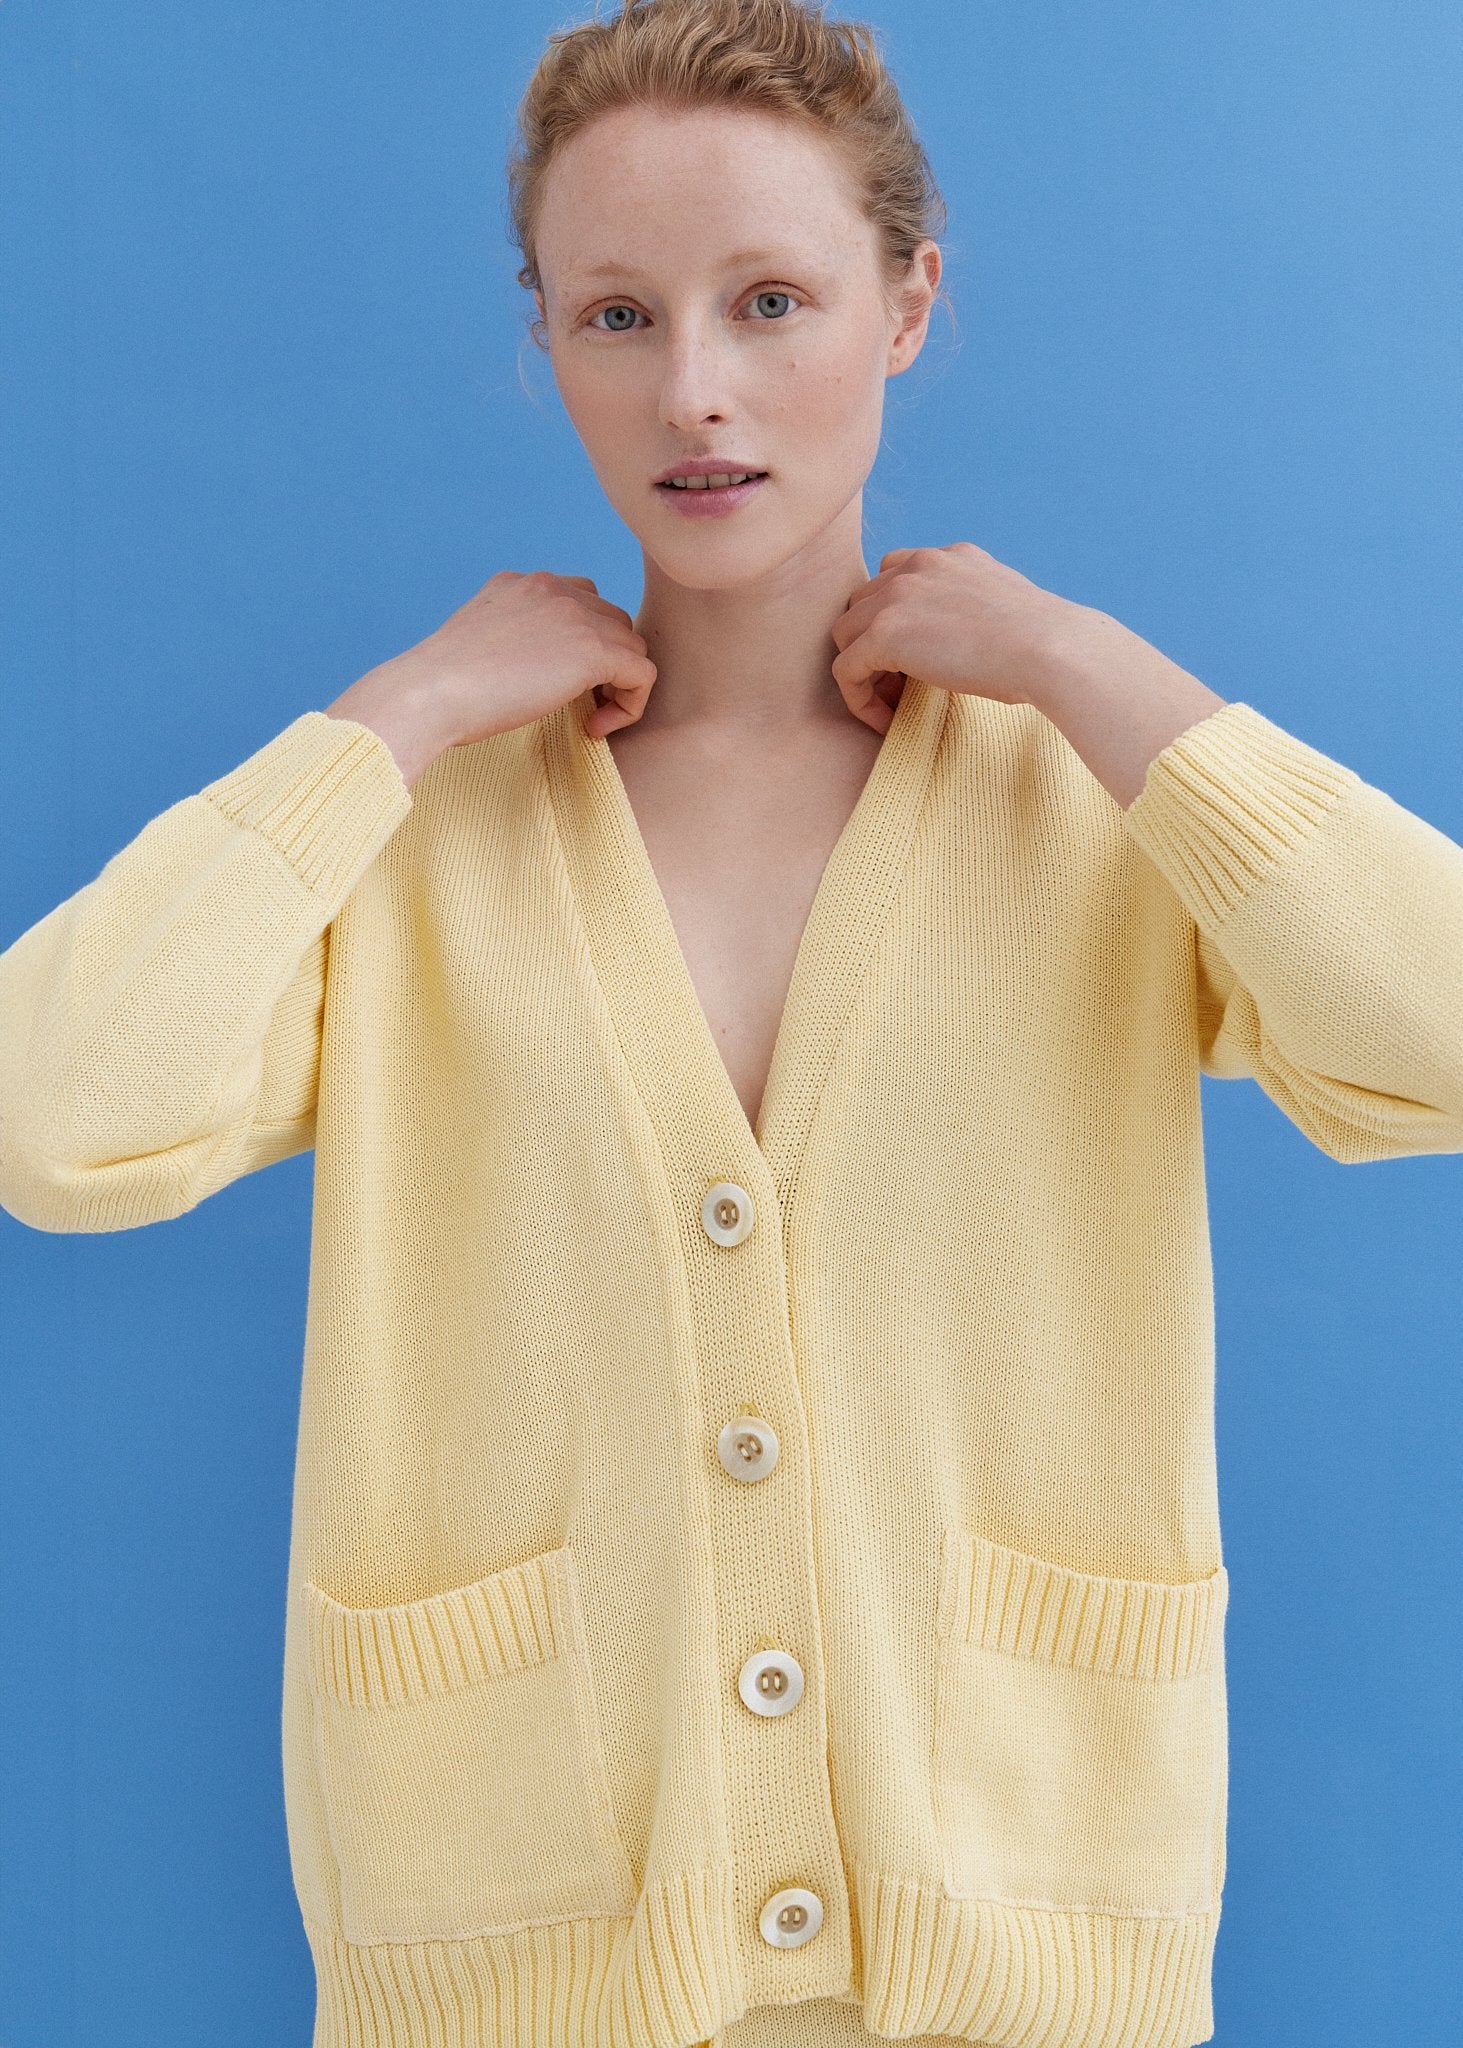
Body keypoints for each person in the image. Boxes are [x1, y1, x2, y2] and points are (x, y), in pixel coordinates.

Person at [5, 5, 1462, 2048]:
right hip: (518, 1960)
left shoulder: (1082, 797)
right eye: (617, 315)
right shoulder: (427, 831)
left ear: (907, 304)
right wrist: (391, 719)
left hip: (1022, 1946)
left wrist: (1092, 669)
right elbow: (52, 1117)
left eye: (770, 301)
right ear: (548, 339)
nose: (693, 388)